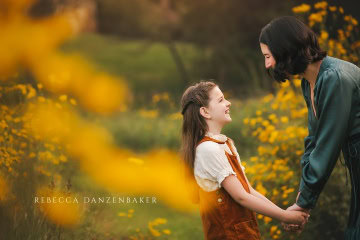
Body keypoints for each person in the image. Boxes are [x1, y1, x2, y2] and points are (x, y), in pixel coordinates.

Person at [259, 16, 360, 239]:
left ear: (284, 48)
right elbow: (313, 142)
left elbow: (326, 146)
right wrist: (302, 199)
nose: (267, 64)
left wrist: (304, 205)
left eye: (268, 56)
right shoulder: (309, 82)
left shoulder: (335, 78)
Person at [180, 81, 308, 240]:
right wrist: (285, 216)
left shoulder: (226, 143)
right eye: (220, 100)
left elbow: (248, 190)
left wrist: (284, 214)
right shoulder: (208, 149)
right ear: (205, 112)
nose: (228, 103)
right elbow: (241, 196)